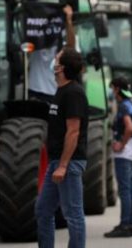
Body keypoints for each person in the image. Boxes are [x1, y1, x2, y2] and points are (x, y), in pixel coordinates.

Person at [35, 47, 88, 248]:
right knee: (43, 210)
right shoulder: (61, 91)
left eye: (56, 60)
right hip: (57, 162)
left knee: (73, 214)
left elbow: (73, 132)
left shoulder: (73, 93)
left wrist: (63, 166)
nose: (53, 63)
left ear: (61, 67)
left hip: (69, 164)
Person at [104, 77, 132, 239]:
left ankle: (125, 225)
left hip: (125, 154)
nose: (112, 92)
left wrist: (121, 144)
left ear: (117, 89)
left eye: (113, 88)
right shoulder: (131, 103)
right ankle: (131, 224)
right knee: (131, 190)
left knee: (125, 190)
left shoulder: (124, 106)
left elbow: (129, 127)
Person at [28, 5, 75, 102]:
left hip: (52, 92)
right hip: (35, 91)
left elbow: (71, 46)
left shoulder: (59, 47)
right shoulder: (35, 45)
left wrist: (69, 22)